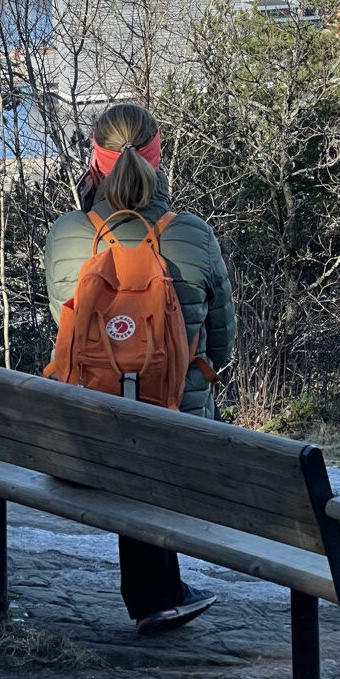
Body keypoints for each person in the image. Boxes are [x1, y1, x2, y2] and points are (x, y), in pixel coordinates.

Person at [44, 102, 236, 637]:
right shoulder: (192, 235)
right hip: (178, 434)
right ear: (157, 158)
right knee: (157, 425)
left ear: (96, 162)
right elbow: (221, 338)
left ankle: (160, 593)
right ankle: (156, 595)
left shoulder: (67, 234)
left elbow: (62, 322)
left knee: (128, 426)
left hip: (84, 434)